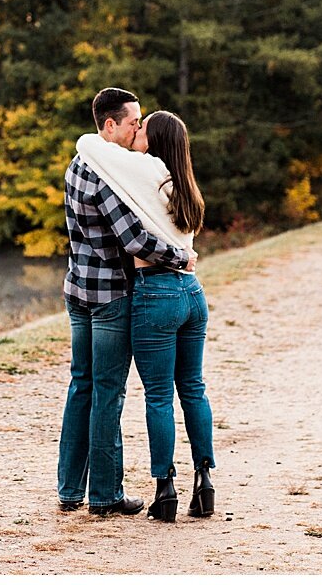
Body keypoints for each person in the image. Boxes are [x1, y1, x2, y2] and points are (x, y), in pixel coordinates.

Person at [57, 89, 196, 517]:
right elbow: (133, 239)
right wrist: (182, 257)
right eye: (134, 122)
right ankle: (104, 495)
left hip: (77, 289)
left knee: (81, 384)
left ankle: (68, 489)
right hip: (110, 296)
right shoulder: (107, 175)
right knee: (108, 391)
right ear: (110, 124)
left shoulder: (79, 164)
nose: (139, 128)